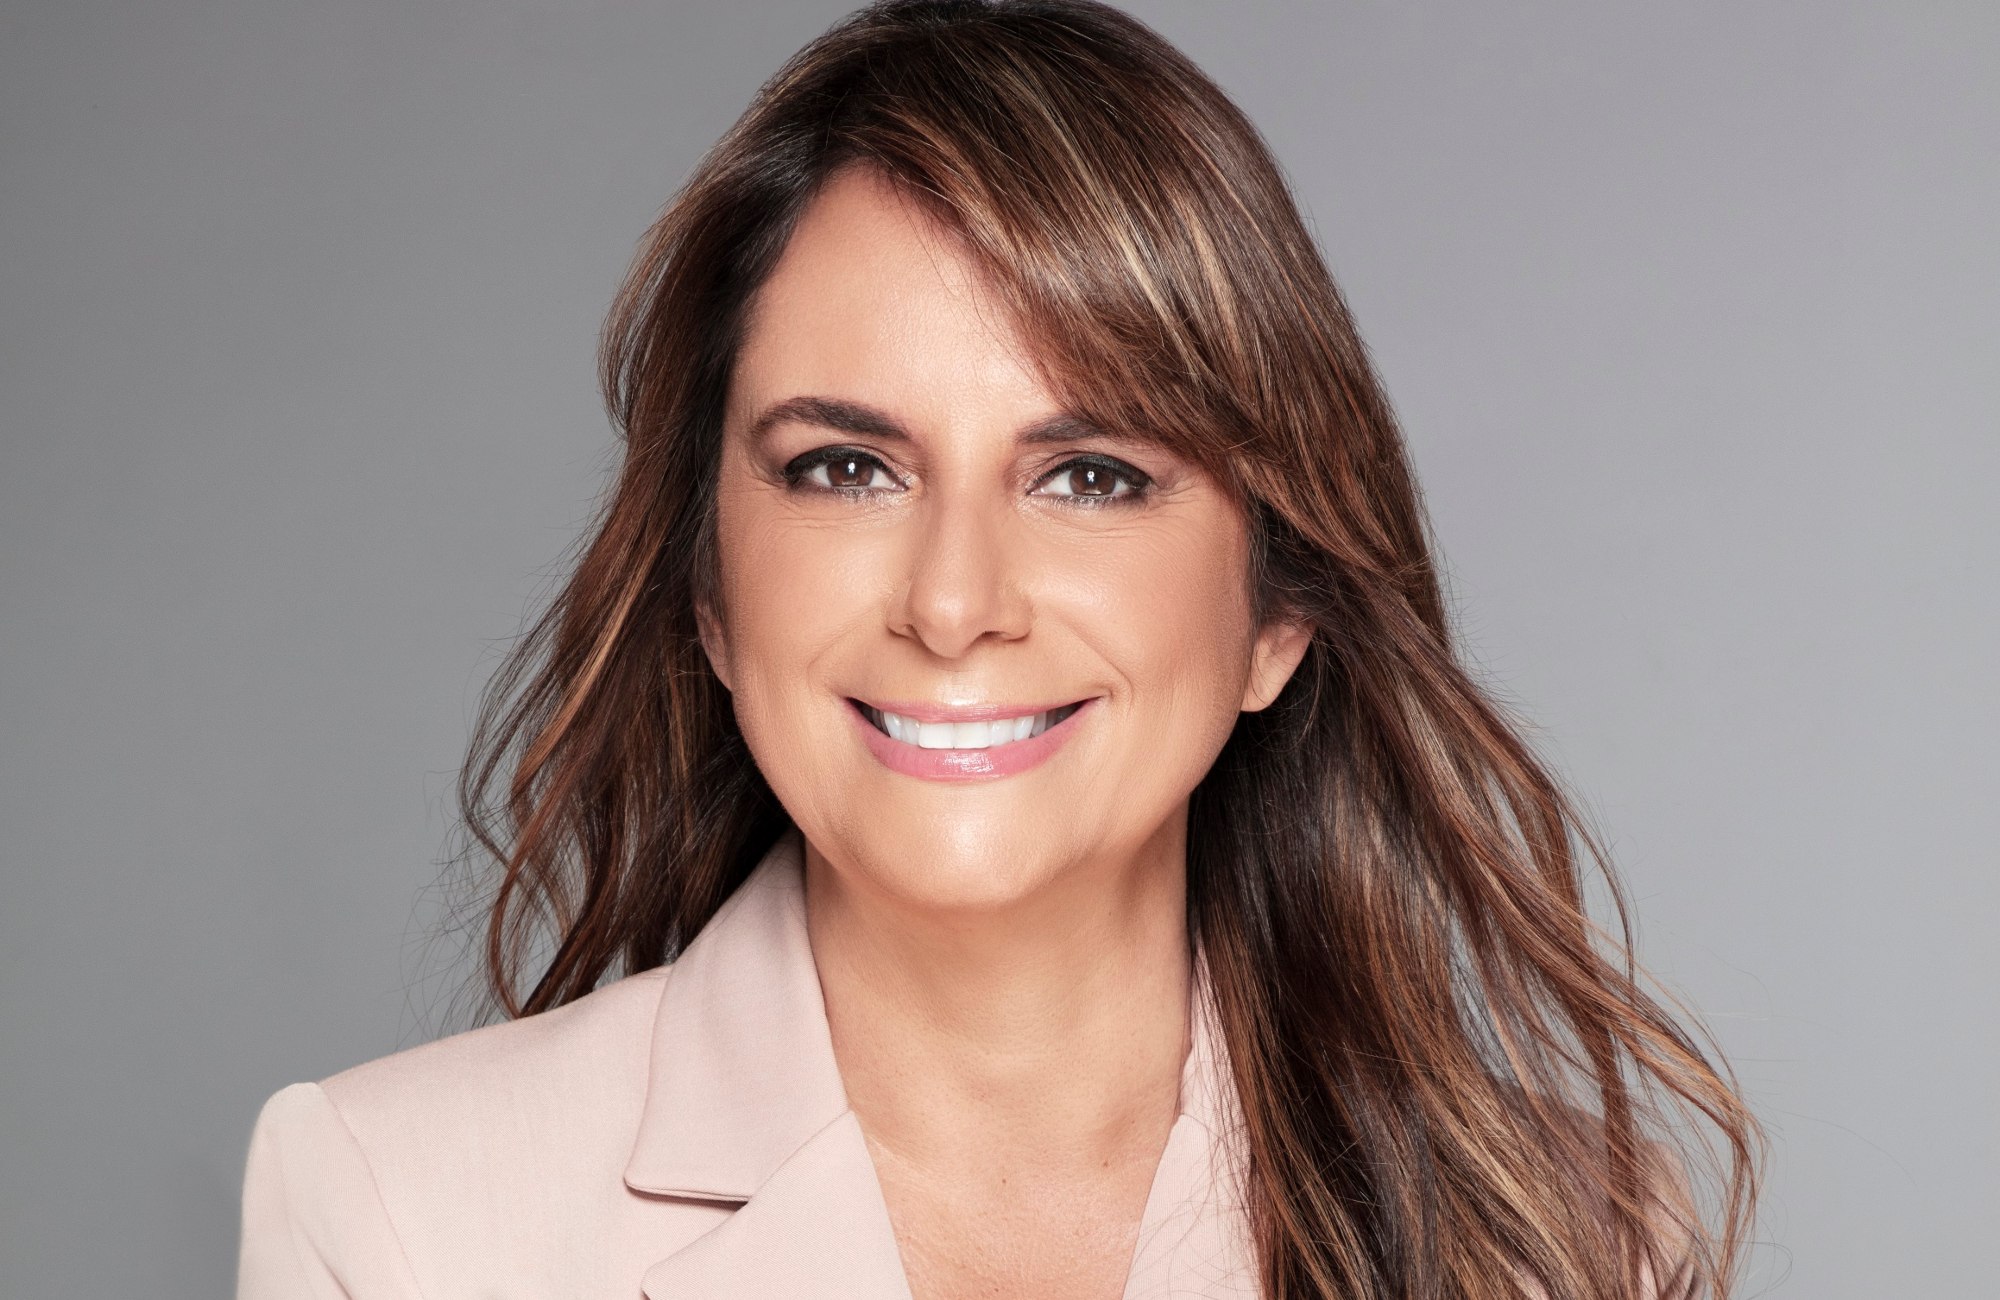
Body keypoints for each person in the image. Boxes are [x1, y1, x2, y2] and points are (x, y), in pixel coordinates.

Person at [235, 2, 1762, 1297]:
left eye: (1089, 476)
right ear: (711, 589)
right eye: (846, 468)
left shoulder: (1566, 1237)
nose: (955, 602)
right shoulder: (396, 1210)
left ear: (1277, 615)